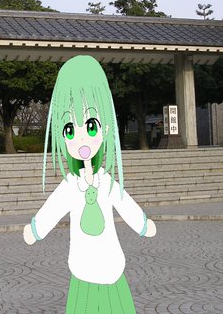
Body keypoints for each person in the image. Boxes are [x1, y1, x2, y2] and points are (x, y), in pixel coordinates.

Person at [23, 55, 156, 313]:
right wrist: (36, 229)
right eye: (70, 130)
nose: (81, 137)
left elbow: (125, 203)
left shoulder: (106, 182)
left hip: (112, 267)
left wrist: (142, 224)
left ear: (105, 128)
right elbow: (53, 208)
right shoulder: (71, 185)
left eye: (91, 126)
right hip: (82, 270)